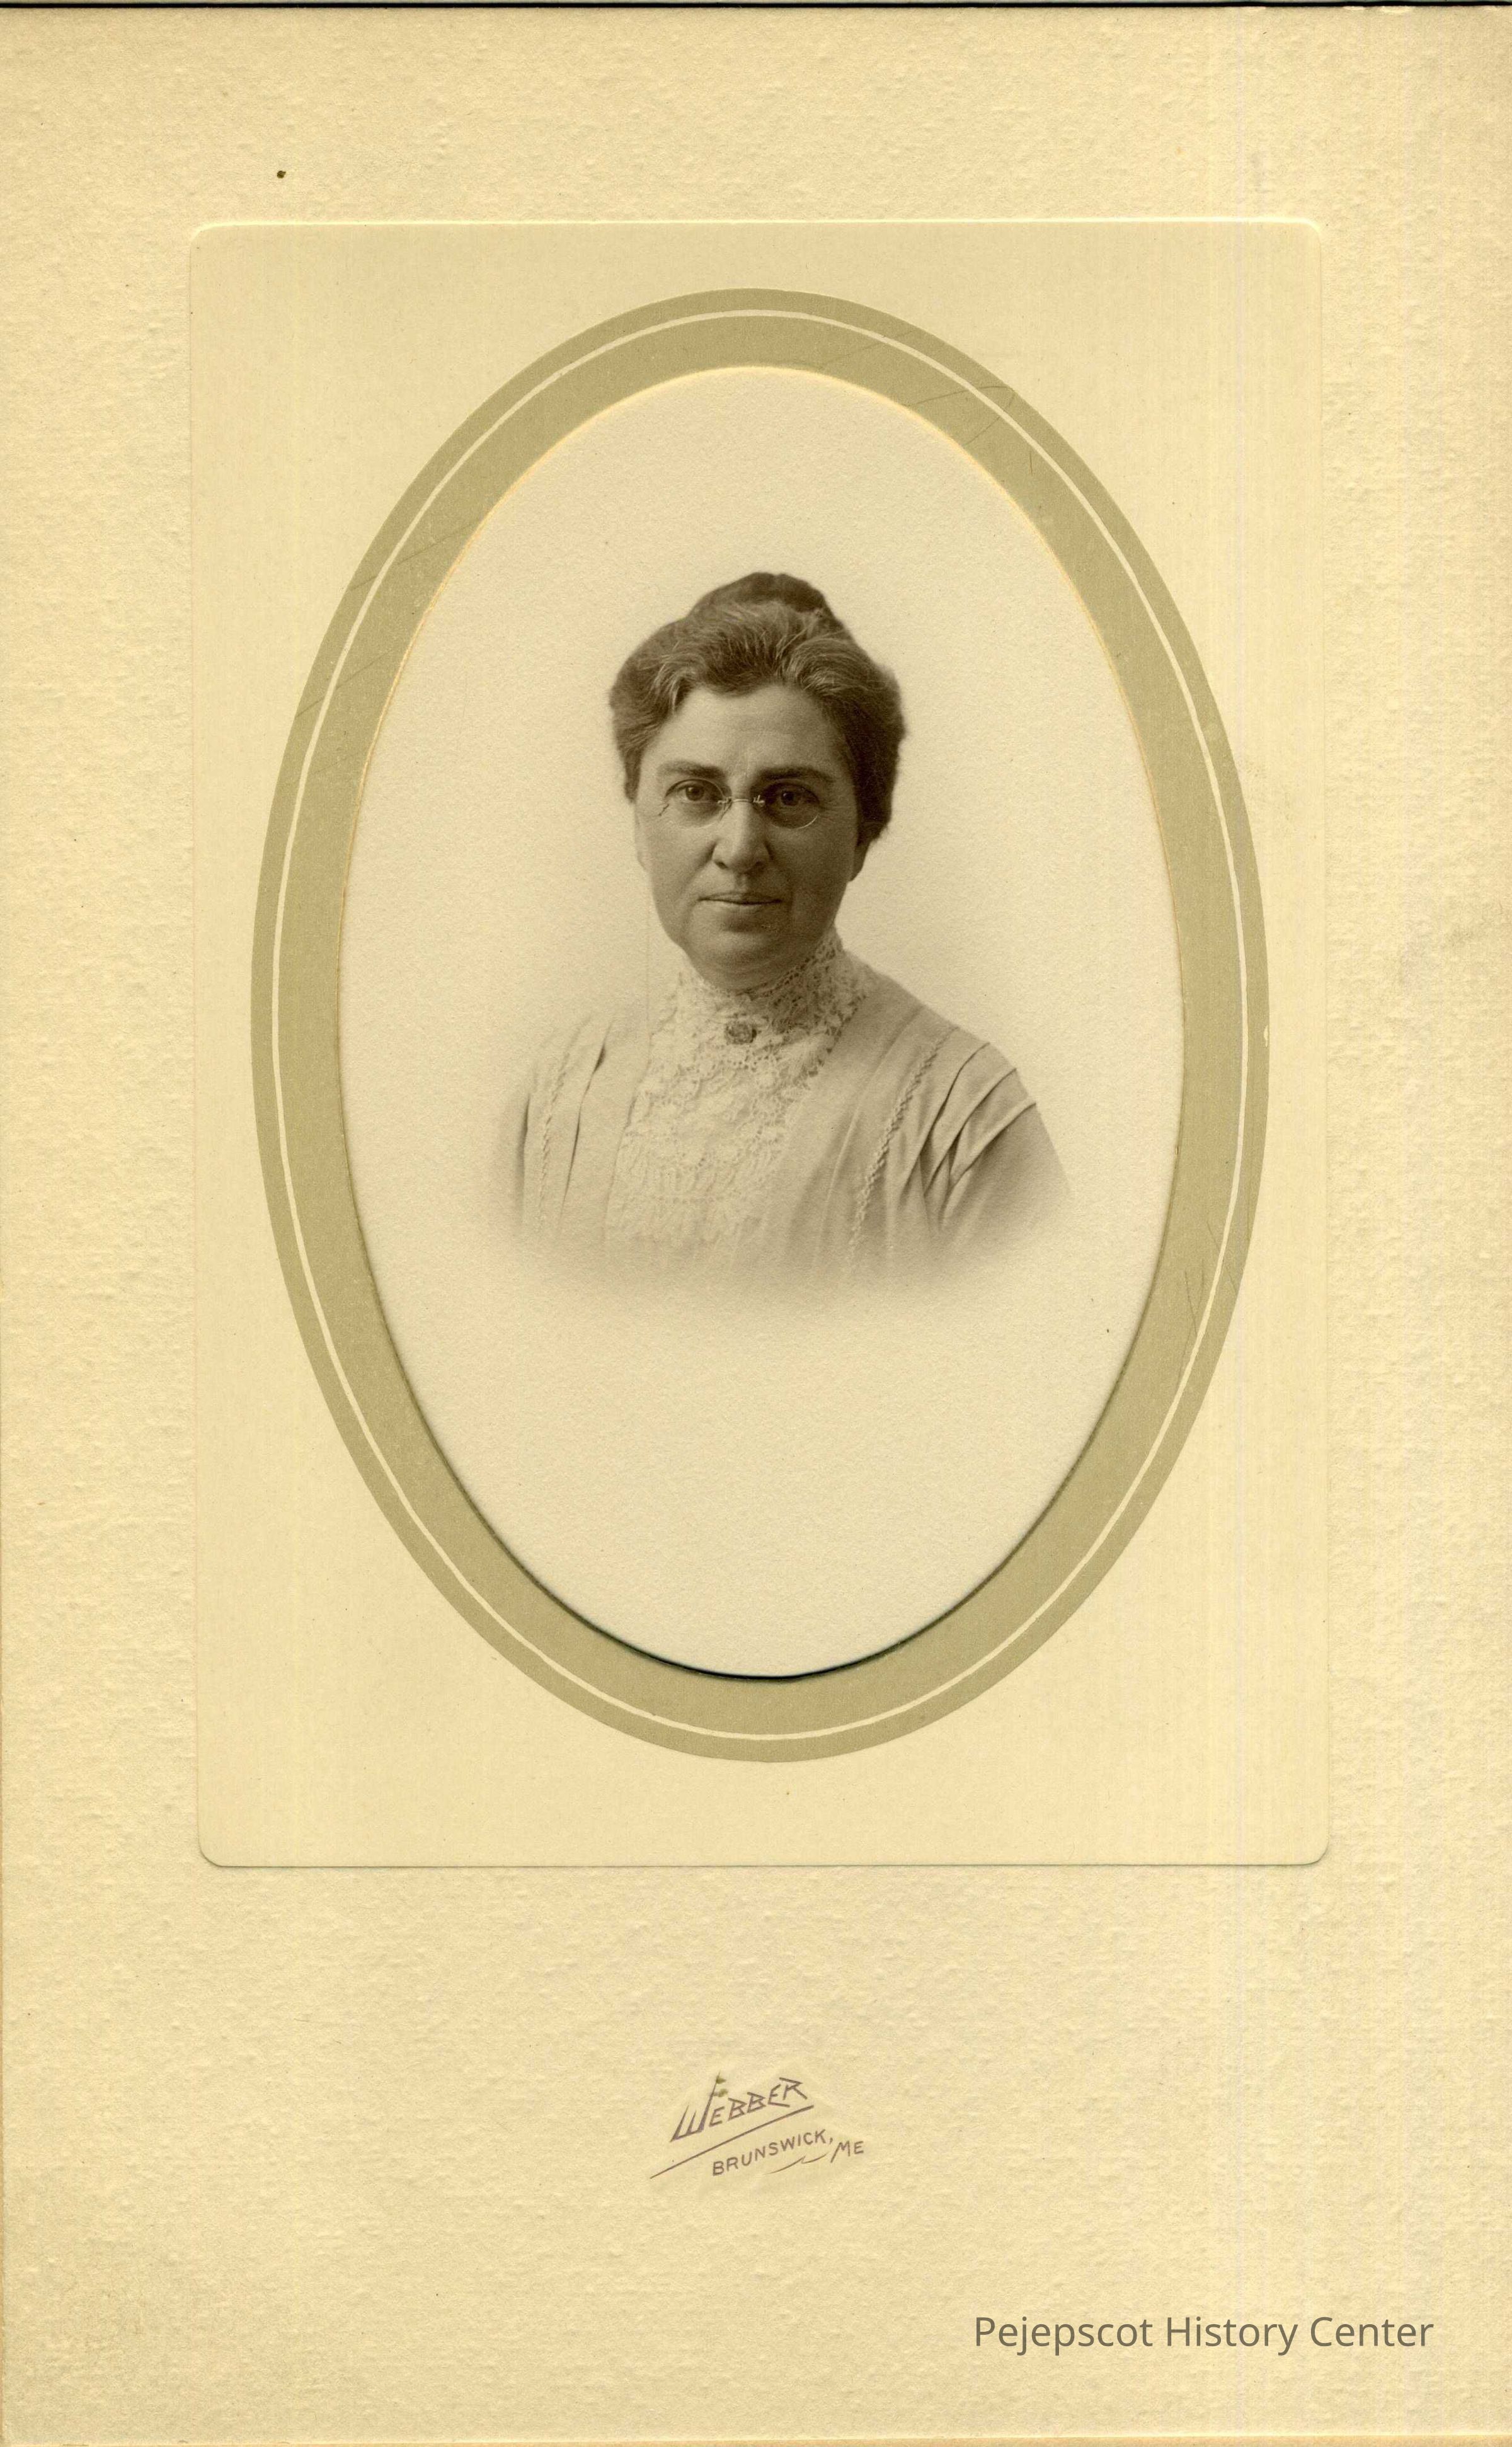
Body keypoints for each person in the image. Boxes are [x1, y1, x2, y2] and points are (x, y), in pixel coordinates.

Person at [503, 573, 1064, 1284]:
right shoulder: (558, 1094)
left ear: (862, 833)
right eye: (695, 792)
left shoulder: (964, 1114)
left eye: (789, 797)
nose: (740, 849)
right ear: (639, 825)